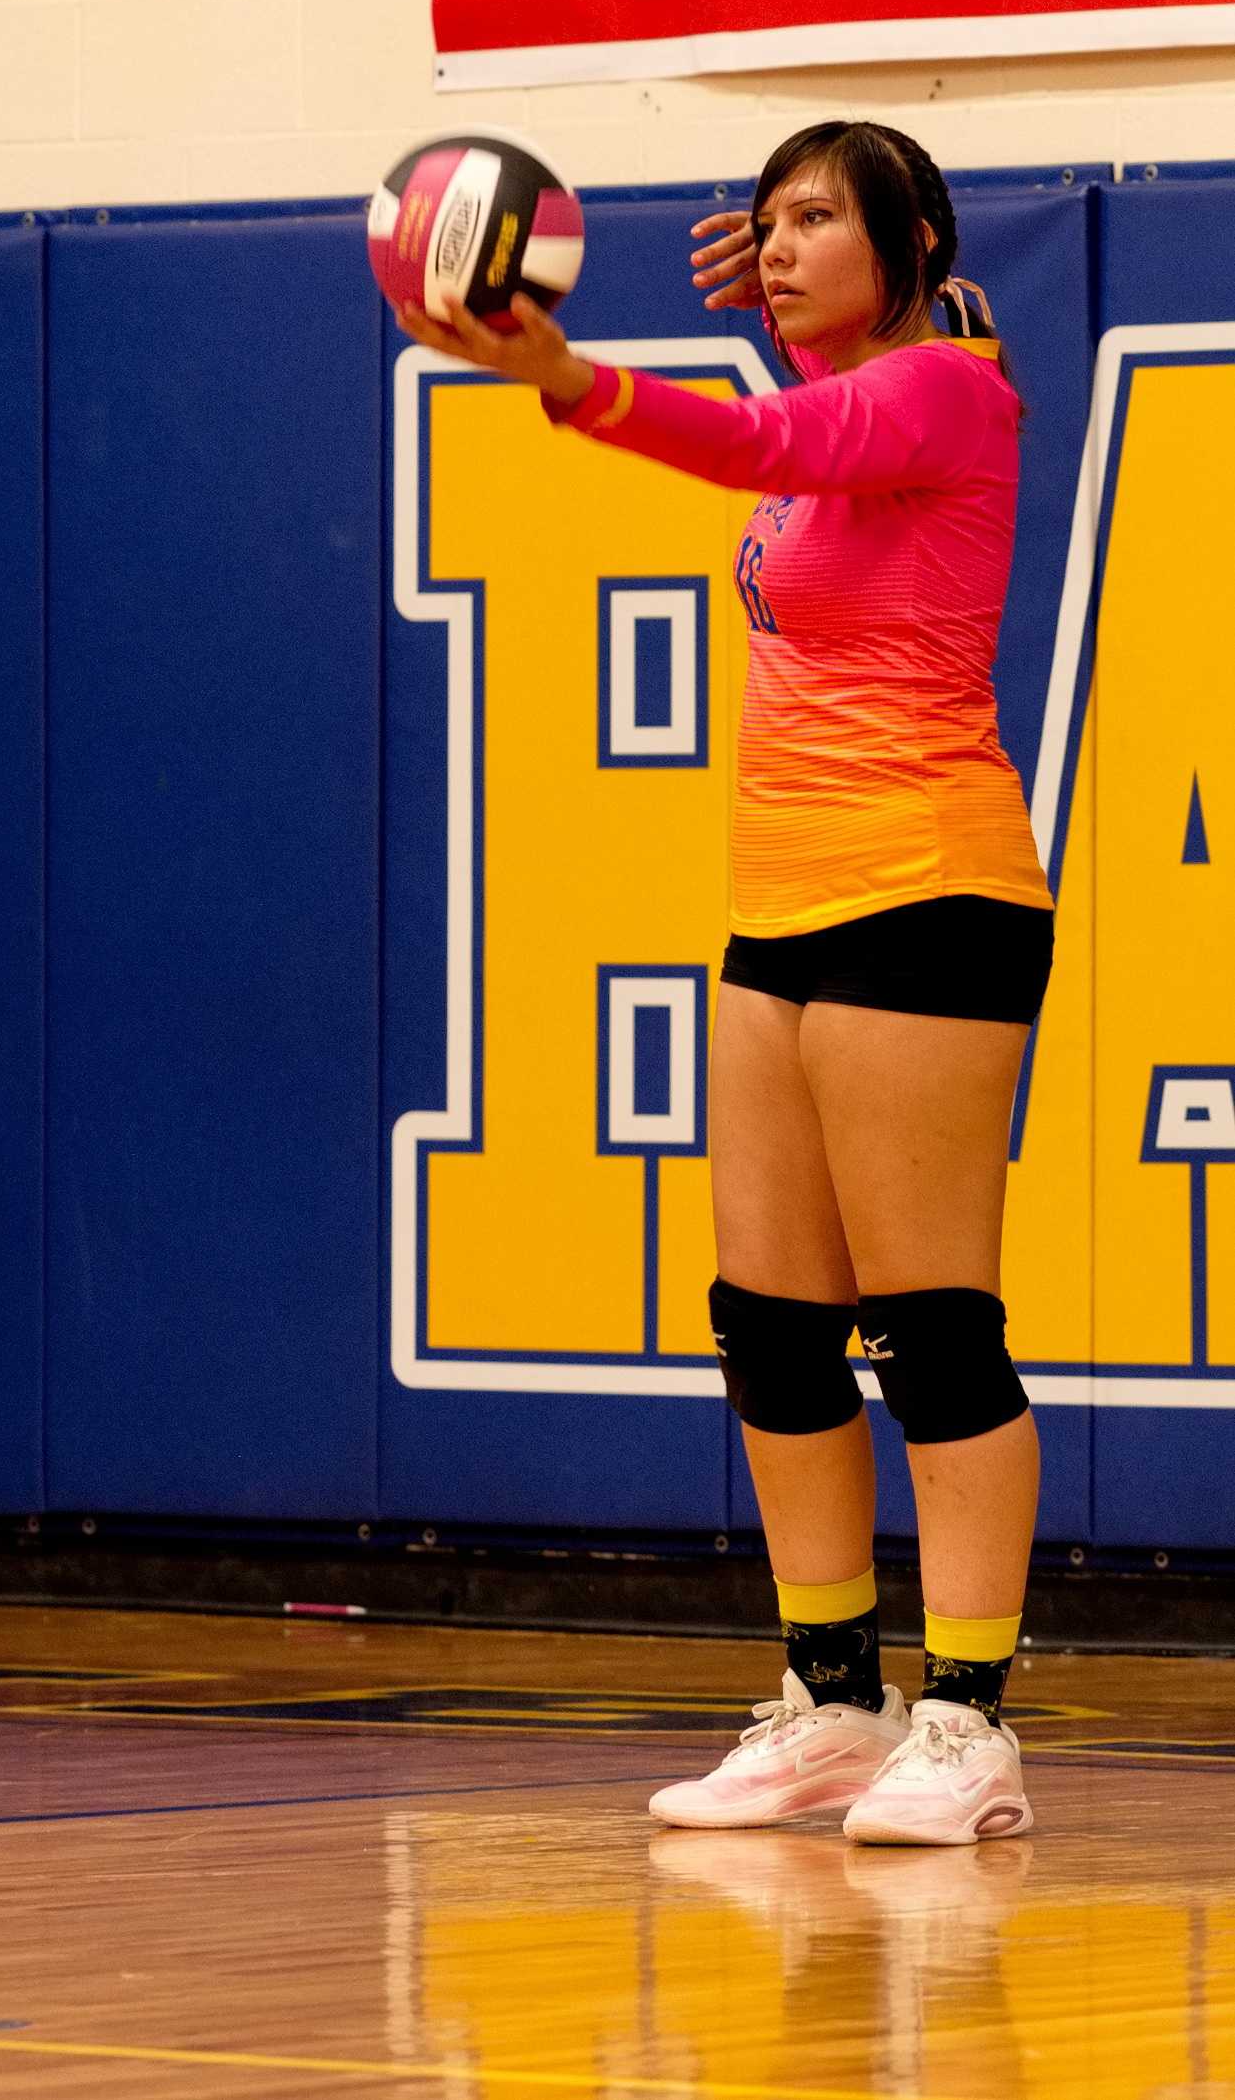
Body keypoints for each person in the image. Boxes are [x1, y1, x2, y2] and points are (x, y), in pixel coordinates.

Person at [395, 119, 1053, 1849]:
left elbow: (776, 428)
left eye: (816, 217)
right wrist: (797, 305)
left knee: (929, 1326)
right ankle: (836, 1699)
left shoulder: (943, 393)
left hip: (928, 885)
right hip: (779, 902)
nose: (772, 244)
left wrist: (561, 372)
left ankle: (969, 1719)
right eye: (760, 221)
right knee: (767, 1326)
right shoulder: (862, 403)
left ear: (913, 244)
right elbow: (798, 425)